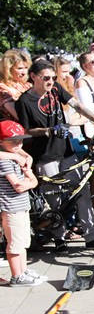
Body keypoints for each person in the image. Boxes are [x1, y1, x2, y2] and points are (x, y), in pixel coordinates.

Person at [15, 59, 94, 251]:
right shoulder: (25, 101)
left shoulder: (56, 89)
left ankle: (91, 236)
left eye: (53, 78)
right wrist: (48, 130)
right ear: (33, 77)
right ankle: (59, 238)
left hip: (67, 151)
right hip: (45, 155)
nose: (50, 82)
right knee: (55, 198)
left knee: (81, 191)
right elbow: (26, 131)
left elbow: (78, 106)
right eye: (46, 78)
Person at [0, 121, 45, 287]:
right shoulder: (5, 161)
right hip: (11, 207)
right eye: (13, 141)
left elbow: (30, 176)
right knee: (15, 243)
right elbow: (19, 186)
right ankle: (16, 276)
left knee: (23, 241)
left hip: (21, 205)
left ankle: (23, 271)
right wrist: (30, 181)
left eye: (20, 141)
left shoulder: (15, 156)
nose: (18, 144)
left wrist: (29, 177)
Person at [0, 49, 32, 121]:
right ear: (8, 69)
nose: (24, 72)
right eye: (20, 68)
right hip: (14, 129)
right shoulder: (2, 88)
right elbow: (18, 114)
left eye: (26, 68)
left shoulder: (27, 85)